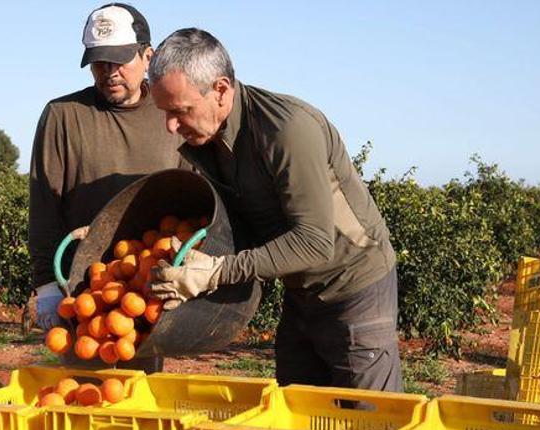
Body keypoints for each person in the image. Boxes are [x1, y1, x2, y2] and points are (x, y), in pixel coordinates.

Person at [147, 28, 403, 392]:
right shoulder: (208, 141)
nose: (171, 125)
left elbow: (315, 242)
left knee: (369, 420)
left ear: (220, 90)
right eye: (165, 113)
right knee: (299, 408)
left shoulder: (286, 131)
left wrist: (218, 271)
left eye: (180, 110)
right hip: (300, 291)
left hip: (354, 287)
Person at [28, 4, 183, 372]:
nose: (110, 72)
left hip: (146, 296)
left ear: (149, 56)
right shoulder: (63, 116)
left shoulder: (171, 116)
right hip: (82, 295)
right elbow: (45, 206)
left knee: (138, 406)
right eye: (99, 63)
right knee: (83, 401)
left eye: (120, 61)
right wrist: (48, 287)